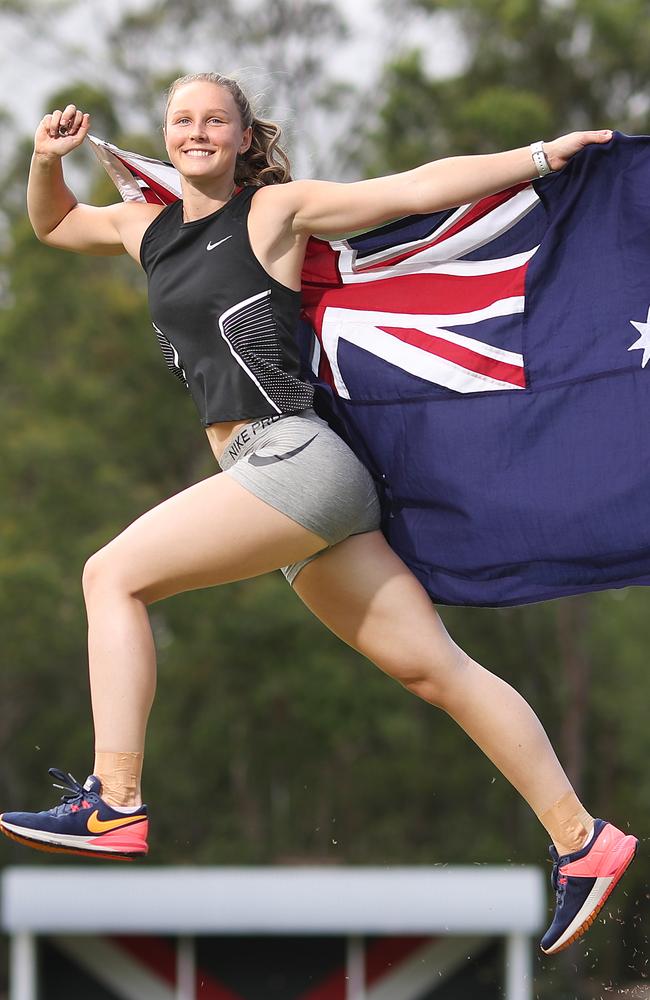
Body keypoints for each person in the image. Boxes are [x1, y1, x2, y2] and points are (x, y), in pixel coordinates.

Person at [0, 73, 637, 956]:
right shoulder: (144, 228)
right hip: (291, 490)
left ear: (239, 136)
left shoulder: (272, 213)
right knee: (436, 672)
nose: (195, 132)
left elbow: (409, 190)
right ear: (166, 133)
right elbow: (55, 224)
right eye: (181, 119)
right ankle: (584, 840)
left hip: (291, 459)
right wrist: (43, 159)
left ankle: (114, 798)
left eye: (213, 120)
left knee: (109, 575)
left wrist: (536, 157)